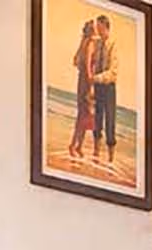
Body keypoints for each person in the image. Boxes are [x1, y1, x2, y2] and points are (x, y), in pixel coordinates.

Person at [90, 15, 120, 164]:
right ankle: (96, 152)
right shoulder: (98, 43)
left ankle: (110, 159)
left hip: (108, 87)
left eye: (100, 28)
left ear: (106, 27)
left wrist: (96, 78)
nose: (98, 30)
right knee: (97, 119)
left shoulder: (113, 44)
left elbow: (113, 73)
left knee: (110, 120)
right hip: (98, 86)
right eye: (97, 28)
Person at [68, 20, 99, 158]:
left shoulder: (83, 42)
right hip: (86, 81)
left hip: (81, 80)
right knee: (84, 114)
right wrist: (91, 82)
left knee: (84, 114)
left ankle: (78, 146)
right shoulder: (91, 43)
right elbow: (86, 64)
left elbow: (75, 61)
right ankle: (74, 145)